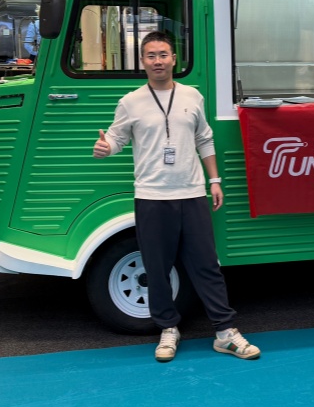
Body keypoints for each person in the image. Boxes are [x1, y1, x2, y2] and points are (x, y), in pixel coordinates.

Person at [92, 30, 260, 363]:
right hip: (152, 197)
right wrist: (105, 149)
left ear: (174, 59)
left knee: (207, 266)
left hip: (192, 193)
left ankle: (225, 333)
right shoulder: (131, 102)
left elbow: (205, 140)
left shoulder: (192, 96)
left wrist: (215, 180)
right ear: (143, 62)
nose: (158, 61)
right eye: (151, 55)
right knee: (157, 268)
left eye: (164, 54)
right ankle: (168, 329)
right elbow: (116, 139)